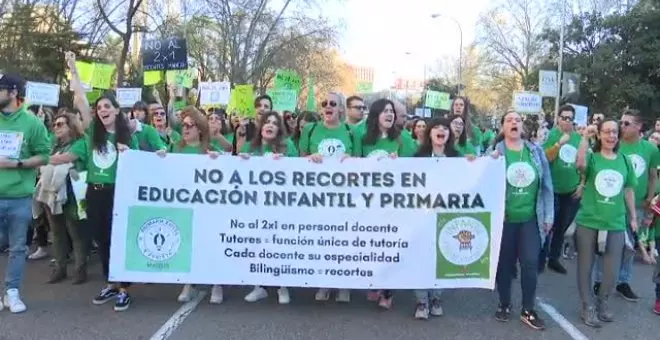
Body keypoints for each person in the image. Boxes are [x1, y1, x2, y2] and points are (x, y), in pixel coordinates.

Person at [51, 95, 139, 312]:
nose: (102, 110)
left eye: (107, 106)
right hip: (94, 193)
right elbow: (81, 103)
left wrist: (128, 153)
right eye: (99, 107)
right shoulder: (92, 135)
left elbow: (140, 164)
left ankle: (124, 289)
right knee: (101, 240)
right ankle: (111, 283)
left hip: (118, 194)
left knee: (117, 241)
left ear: (117, 110)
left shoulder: (127, 136)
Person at [492, 109, 554, 331]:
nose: (514, 123)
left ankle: (528, 309)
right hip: (504, 219)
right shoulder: (495, 153)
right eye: (509, 120)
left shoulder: (536, 152)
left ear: (522, 127)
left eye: (517, 120)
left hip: (531, 218)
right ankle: (504, 303)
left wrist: (548, 216)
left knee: (529, 263)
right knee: (504, 265)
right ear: (503, 128)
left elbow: (547, 186)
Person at [574, 120, 637, 327]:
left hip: (615, 222)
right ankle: (587, 306)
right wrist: (584, 138)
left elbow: (628, 191)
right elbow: (580, 164)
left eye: (614, 132)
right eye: (607, 132)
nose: (611, 136)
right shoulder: (592, 158)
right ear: (599, 135)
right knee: (585, 266)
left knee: (612, 271)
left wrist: (633, 217)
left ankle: (602, 301)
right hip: (589, 220)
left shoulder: (625, 161)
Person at [593, 109, 660, 301]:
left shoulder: (651, 149)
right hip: (611, 204)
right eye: (621, 123)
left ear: (639, 127)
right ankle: (599, 280)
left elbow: (653, 175)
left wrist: (649, 199)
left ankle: (623, 281)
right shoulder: (615, 145)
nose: (621, 127)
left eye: (626, 124)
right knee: (604, 243)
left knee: (629, 246)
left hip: (637, 206)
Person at [0, 73, 52, 313]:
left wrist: (17, 164)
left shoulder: (32, 123)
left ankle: (12, 292)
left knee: (18, 247)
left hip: (19, 198)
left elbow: (45, 155)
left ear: (13, 93)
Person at [539, 105, 584, 274]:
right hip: (553, 191)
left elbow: (583, 164)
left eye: (570, 118)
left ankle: (554, 258)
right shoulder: (551, 135)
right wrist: (558, 144)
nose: (567, 121)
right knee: (547, 226)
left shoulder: (579, 139)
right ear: (558, 118)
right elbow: (545, 160)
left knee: (561, 227)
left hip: (571, 191)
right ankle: (540, 258)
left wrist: (582, 184)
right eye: (564, 117)